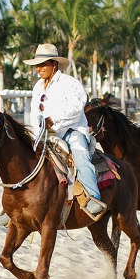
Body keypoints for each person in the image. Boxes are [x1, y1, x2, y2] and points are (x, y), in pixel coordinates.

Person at [25, 43, 106, 218]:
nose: (38, 68)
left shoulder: (70, 83)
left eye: (43, 64)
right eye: (36, 65)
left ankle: (93, 198)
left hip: (72, 130)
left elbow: (77, 107)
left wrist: (52, 119)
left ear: (54, 64)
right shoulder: (38, 86)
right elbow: (34, 111)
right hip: (45, 133)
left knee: (81, 155)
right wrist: (36, 129)